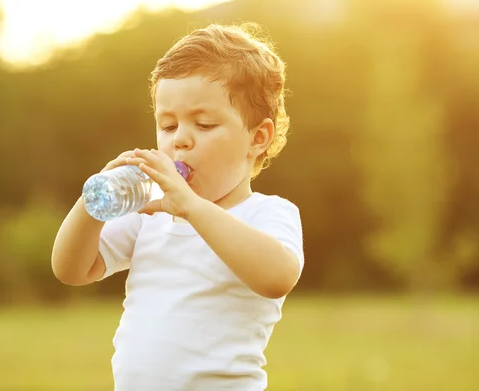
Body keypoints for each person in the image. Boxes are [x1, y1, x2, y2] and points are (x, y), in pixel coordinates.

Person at [51, 22, 304, 391]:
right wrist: (92, 204)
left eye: (203, 124)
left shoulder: (268, 213)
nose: (180, 140)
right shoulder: (150, 215)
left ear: (258, 137)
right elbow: (71, 269)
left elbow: (276, 277)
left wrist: (191, 207)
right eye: (168, 126)